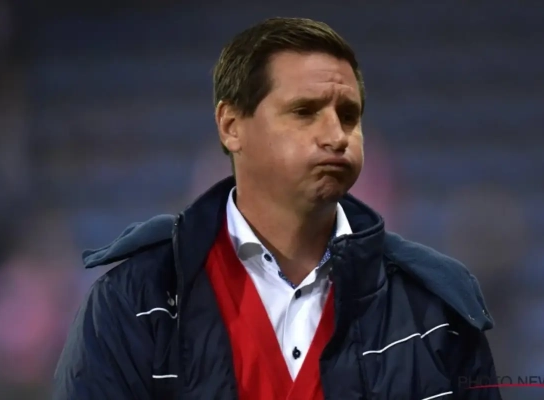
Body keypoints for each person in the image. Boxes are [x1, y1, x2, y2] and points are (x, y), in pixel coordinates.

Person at [53, 17, 501, 400]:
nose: (337, 135)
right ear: (231, 126)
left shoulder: (434, 310)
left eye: (349, 115)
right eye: (305, 111)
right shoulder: (136, 302)